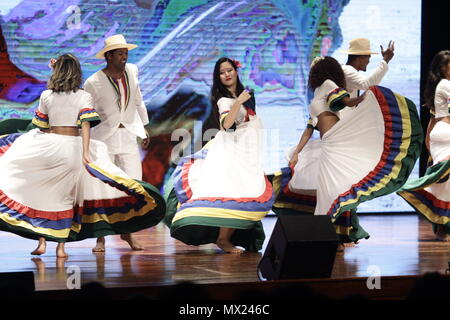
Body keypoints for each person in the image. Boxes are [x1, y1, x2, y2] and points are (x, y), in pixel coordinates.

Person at [0, 54, 164, 257]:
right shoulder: (82, 96)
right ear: (76, 73)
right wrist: (86, 152)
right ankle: (61, 247)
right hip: (73, 147)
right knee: (68, 198)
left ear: (57, 72)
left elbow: (41, 126)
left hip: (51, 145)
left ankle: (43, 242)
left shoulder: (47, 95)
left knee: (44, 194)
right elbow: (85, 126)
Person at [307, 56, 422, 250]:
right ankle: (328, 237)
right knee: (330, 190)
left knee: (332, 190)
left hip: (335, 143)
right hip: (327, 144)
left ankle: (328, 237)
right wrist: (298, 151)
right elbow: (312, 124)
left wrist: (365, 98)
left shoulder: (327, 84)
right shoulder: (320, 89)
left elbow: (346, 102)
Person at [164, 57, 273, 253]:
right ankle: (224, 240)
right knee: (233, 193)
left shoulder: (246, 95)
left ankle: (229, 238)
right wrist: (238, 102)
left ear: (236, 71)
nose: (227, 74)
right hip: (231, 151)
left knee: (243, 193)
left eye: (229, 70)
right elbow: (226, 125)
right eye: (222, 72)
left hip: (246, 152)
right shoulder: (224, 100)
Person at [83, 34, 151, 252]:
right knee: (104, 187)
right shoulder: (93, 82)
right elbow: (85, 112)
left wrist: (144, 126)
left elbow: (138, 100)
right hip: (104, 138)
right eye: (120, 53)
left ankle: (128, 233)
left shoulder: (132, 70)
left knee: (133, 184)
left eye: (126, 52)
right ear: (108, 56)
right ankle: (100, 238)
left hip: (129, 134)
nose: (124, 56)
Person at [397, 50, 450, 241]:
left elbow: (433, 117)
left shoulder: (440, 85)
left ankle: (442, 226)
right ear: (443, 68)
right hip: (446, 135)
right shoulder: (445, 84)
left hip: (440, 134)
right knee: (442, 183)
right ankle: (415, 188)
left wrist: (428, 139)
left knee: (443, 184)